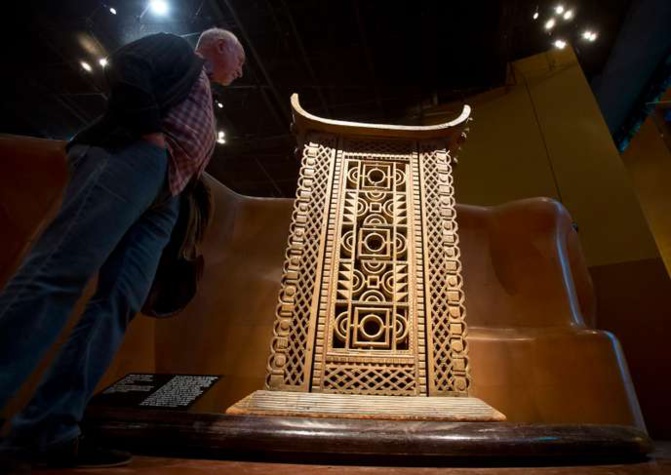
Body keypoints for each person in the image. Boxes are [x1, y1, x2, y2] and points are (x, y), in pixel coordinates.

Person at [0, 28, 245, 469]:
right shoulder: (177, 50)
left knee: (118, 303)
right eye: (240, 60)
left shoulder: (205, 89)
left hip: (164, 191)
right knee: (58, 273)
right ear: (221, 45)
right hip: (132, 158)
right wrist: (150, 136)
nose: (241, 71)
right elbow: (126, 65)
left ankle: (49, 430)